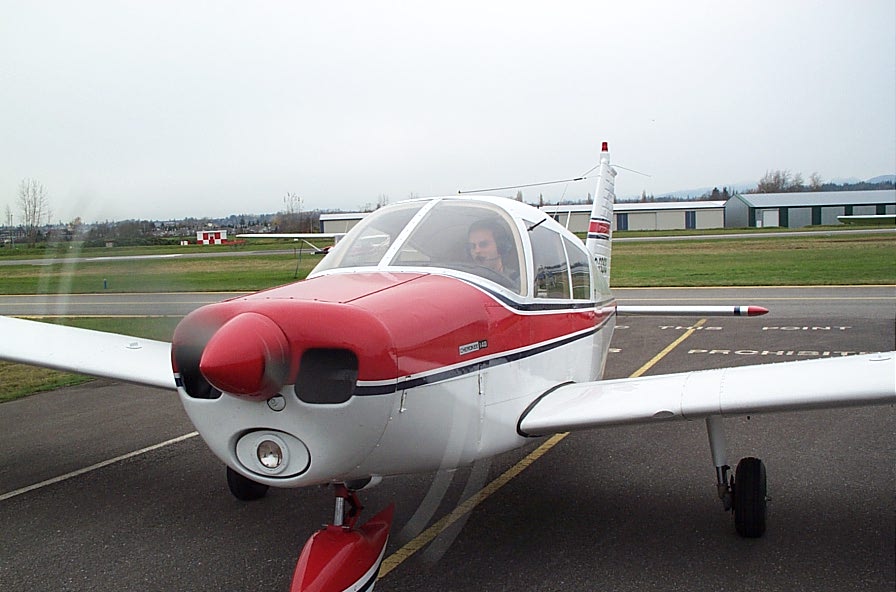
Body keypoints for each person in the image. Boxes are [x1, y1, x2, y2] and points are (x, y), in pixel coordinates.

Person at [466, 219, 519, 288]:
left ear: (501, 247)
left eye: (483, 244)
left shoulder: (516, 282)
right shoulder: (465, 278)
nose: (477, 251)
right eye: (473, 246)